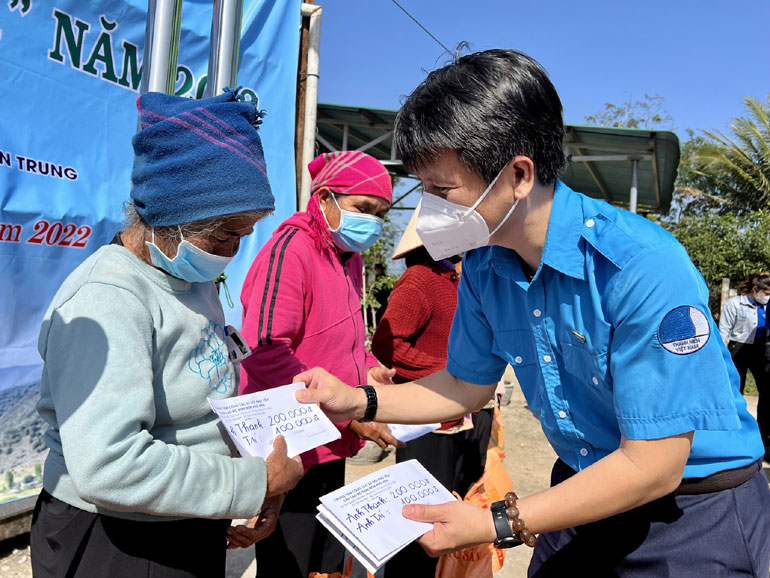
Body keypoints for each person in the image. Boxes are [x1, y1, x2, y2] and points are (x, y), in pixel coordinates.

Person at [294, 49, 770, 577]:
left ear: (519, 174)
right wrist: (358, 400)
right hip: (580, 487)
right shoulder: (483, 264)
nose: (428, 209)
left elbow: (652, 465)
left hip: (691, 513)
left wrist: (495, 522)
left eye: (442, 190)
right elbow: (465, 384)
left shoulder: (641, 266)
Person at [30, 90, 304, 578]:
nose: (233, 251)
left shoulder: (190, 278)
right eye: (222, 236)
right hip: (116, 540)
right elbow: (110, 466)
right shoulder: (108, 299)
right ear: (166, 216)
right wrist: (250, 481)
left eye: (244, 235)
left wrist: (250, 484)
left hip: (177, 517)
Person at [239, 150, 403, 578]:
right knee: (290, 561)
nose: (373, 222)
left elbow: (339, 339)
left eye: (381, 214)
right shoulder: (291, 248)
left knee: (322, 561)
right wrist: (349, 416)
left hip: (329, 436)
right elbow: (266, 349)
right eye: (363, 209)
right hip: (292, 444)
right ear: (325, 198)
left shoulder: (347, 256)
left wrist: (369, 368)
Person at [371, 205, 493, 577]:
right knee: (420, 521)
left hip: (460, 414)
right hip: (428, 420)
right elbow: (386, 344)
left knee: (454, 506)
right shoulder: (419, 280)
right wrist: (443, 374)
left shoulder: (453, 278)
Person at [719, 272, 770, 457]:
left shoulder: (767, 307)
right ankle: (734, 433)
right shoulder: (735, 304)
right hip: (737, 349)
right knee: (735, 391)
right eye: (766, 292)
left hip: (760, 352)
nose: (767, 296)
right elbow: (724, 331)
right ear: (755, 290)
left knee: (765, 391)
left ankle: (763, 435)